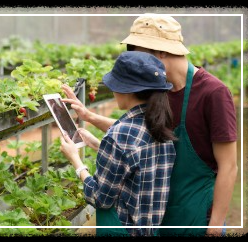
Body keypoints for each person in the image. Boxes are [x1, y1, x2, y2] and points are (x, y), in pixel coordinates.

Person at [61, 14, 238, 237]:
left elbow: (229, 166)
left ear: (161, 51)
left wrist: (215, 226)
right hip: (158, 216)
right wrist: (89, 117)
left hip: (196, 216)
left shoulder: (213, 93)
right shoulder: (158, 90)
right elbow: (141, 136)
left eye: (137, 52)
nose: (136, 61)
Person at [60, 51, 177, 237]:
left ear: (127, 89)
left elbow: (100, 198)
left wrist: (76, 161)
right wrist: (99, 144)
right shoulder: (159, 125)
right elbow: (133, 163)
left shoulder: (120, 135)